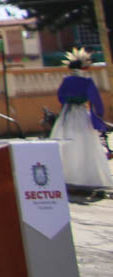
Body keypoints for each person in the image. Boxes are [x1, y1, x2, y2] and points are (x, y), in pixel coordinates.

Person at [51, 48, 112, 190]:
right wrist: (99, 117)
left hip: (67, 115)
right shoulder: (87, 82)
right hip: (81, 114)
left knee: (66, 144)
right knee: (85, 144)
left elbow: (60, 97)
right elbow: (96, 101)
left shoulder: (66, 80)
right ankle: (86, 177)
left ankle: (67, 176)